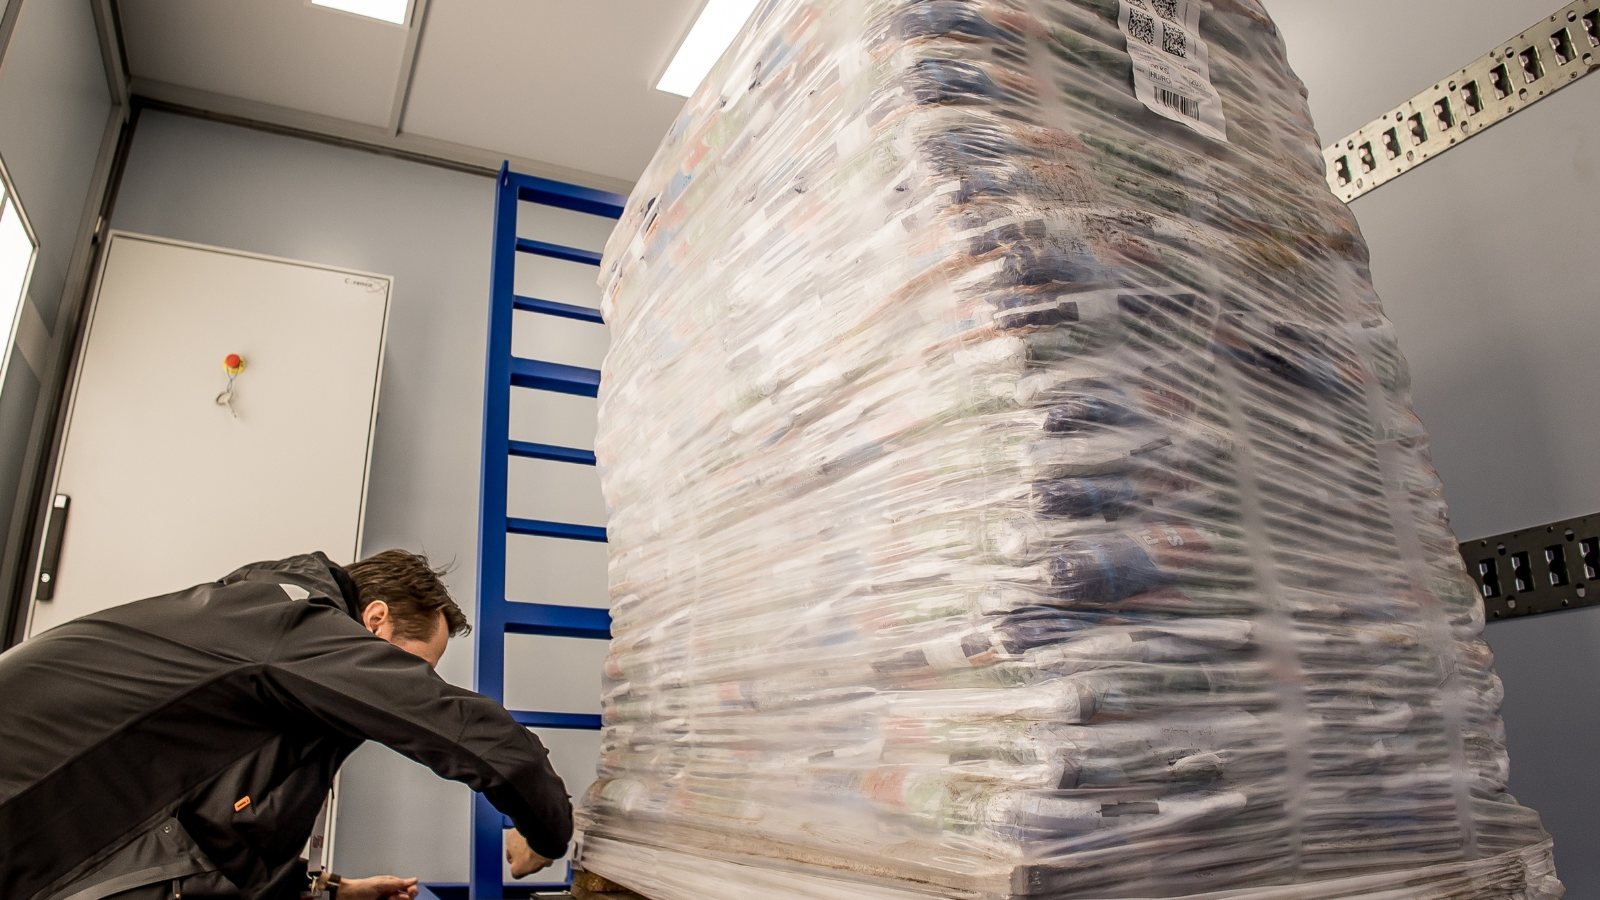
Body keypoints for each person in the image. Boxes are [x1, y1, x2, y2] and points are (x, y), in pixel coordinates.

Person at [0, 550, 573, 900]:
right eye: (410, 667)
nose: (408, 685)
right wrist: (542, 834)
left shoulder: (256, 630)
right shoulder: (290, 626)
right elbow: (459, 726)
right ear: (374, 620)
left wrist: (324, 892)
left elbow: (215, 825)